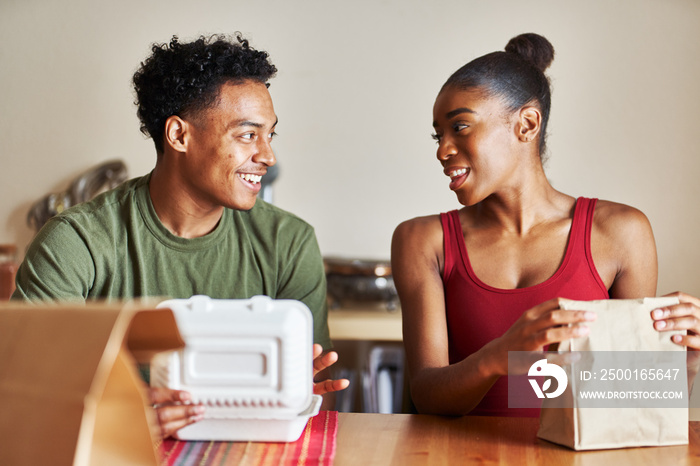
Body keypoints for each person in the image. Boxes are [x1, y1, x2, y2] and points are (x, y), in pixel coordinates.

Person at [13, 33, 348, 437]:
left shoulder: (289, 242)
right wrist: (120, 418)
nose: (268, 156)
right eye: (247, 134)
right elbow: (21, 393)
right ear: (178, 136)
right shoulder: (75, 243)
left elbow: (308, 385)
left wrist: (299, 392)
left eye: (270, 134)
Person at [391, 32, 700, 417]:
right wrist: (498, 356)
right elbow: (428, 394)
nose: (442, 150)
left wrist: (683, 364)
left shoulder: (621, 232)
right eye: (439, 135)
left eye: (461, 127)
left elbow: (627, 404)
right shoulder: (422, 240)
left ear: (527, 124)